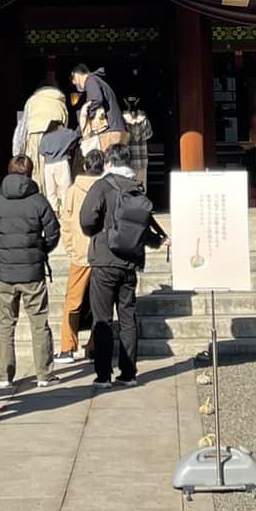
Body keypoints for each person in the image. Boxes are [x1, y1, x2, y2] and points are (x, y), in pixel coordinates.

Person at [79, 142, 165, 385]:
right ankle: (128, 373)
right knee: (128, 318)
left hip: (105, 259)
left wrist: (98, 233)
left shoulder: (102, 186)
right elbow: (141, 226)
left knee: (103, 319)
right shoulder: (137, 188)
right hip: (130, 260)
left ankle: (103, 375)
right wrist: (158, 241)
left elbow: (86, 221)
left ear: (108, 162)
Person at [0, 153, 60, 391]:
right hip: (32, 271)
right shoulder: (38, 201)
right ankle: (44, 373)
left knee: (6, 325)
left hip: (5, 270)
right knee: (39, 323)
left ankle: (4, 374)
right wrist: (41, 249)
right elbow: (54, 231)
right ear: (29, 172)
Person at [53, 144, 103, 366]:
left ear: (84, 166)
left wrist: (70, 248)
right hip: (102, 254)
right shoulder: (106, 188)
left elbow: (66, 222)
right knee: (100, 303)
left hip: (80, 254)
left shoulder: (73, 190)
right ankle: (95, 346)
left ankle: (67, 347)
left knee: (72, 302)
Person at [22, 66, 69, 179]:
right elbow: (65, 125)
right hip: (55, 140)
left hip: (34, 139)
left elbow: (24, 126)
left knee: (36, 174)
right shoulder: (60, 103)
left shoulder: (32, 101)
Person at [71, 60, 124, 153]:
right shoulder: (96, 80)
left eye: (73, 79)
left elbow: (96, 99)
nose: (74, 83)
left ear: (76, 75)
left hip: (110, 132)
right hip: (116, 129)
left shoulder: (90, 80)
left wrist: (86, 117)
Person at [122, 91, 153, 190]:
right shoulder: (144, 119)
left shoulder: (122, 120)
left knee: (128, 189)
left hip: (128, 160)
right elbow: (149, 134)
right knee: (141, 188)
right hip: (142, 159)